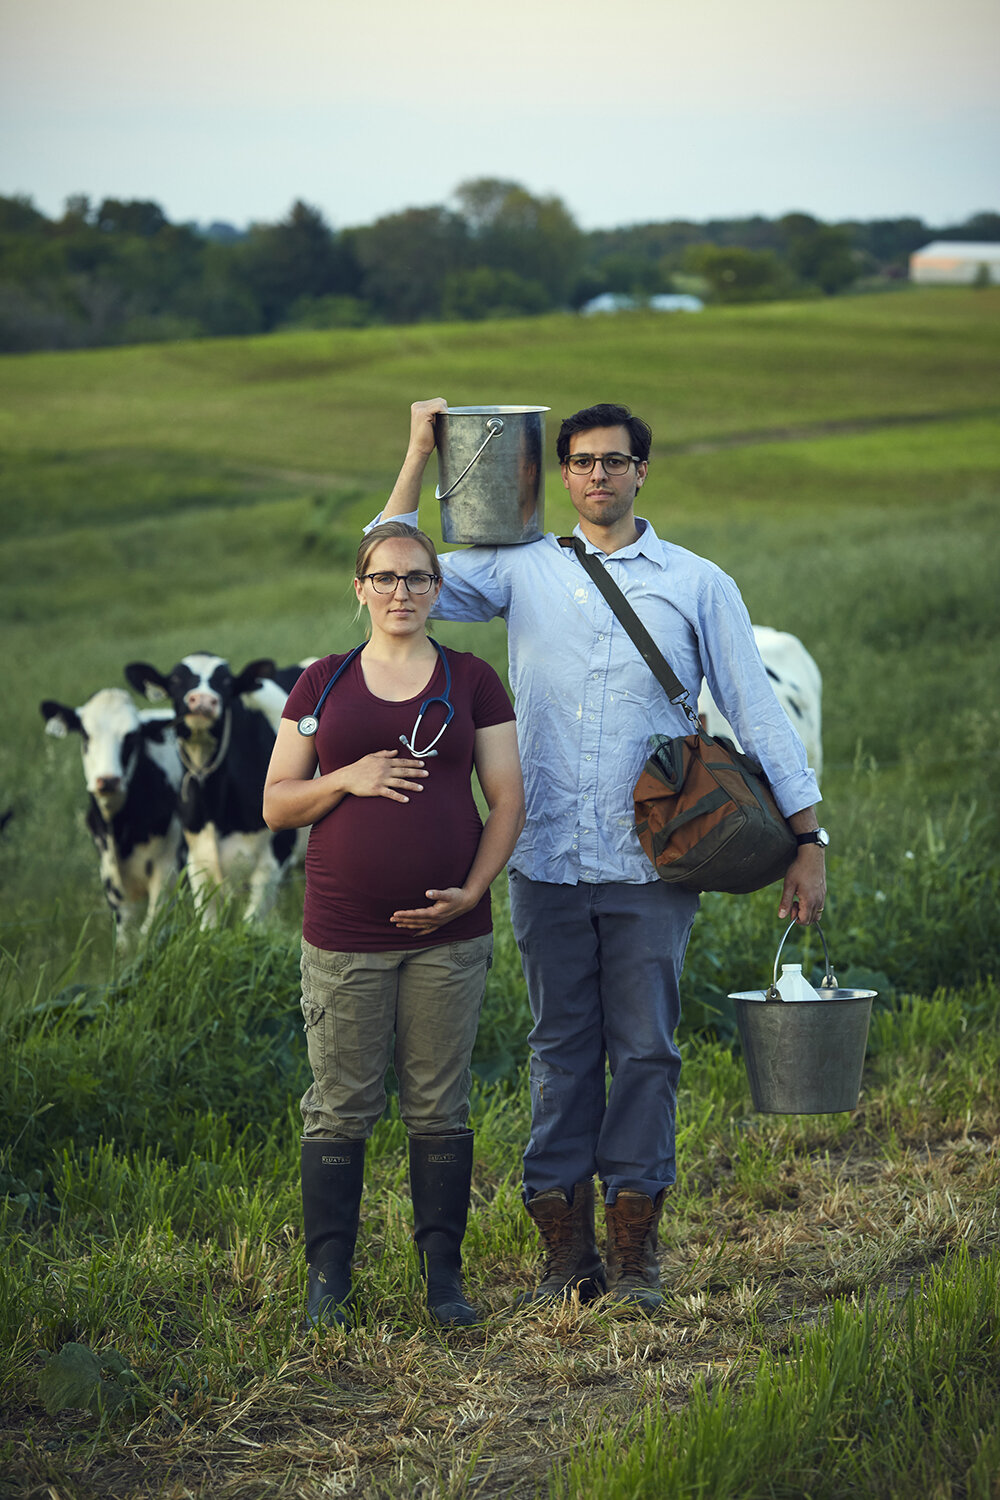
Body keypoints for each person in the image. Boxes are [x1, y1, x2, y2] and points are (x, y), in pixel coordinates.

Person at [371, 400, 826, 1314]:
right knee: (559, 1053)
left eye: (615, 462)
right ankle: (563, 1257)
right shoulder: (520, 569)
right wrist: (419, 453)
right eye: (581, 462)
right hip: (542, 859)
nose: (598, 477)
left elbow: (757, 710)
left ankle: (636, 1257)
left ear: (641, 472)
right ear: (559, 472)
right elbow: (394, 565)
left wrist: (808, 839)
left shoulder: (700, 584)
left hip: (654, 863)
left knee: (648, 1053)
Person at [263, 521, 525, 1329]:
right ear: (360, 589)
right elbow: (277, 804)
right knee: (340, 1105)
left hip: (450, 933)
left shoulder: (473, 679)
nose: (400, 593)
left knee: (439, 1106)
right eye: (384, 579)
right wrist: (349, 775)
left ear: (437, 591)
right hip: (343, 934)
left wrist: (473, 890)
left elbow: (507, 800)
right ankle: (327, 1286)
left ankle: (442, 1281)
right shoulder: (322, 684)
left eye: (416, 579)